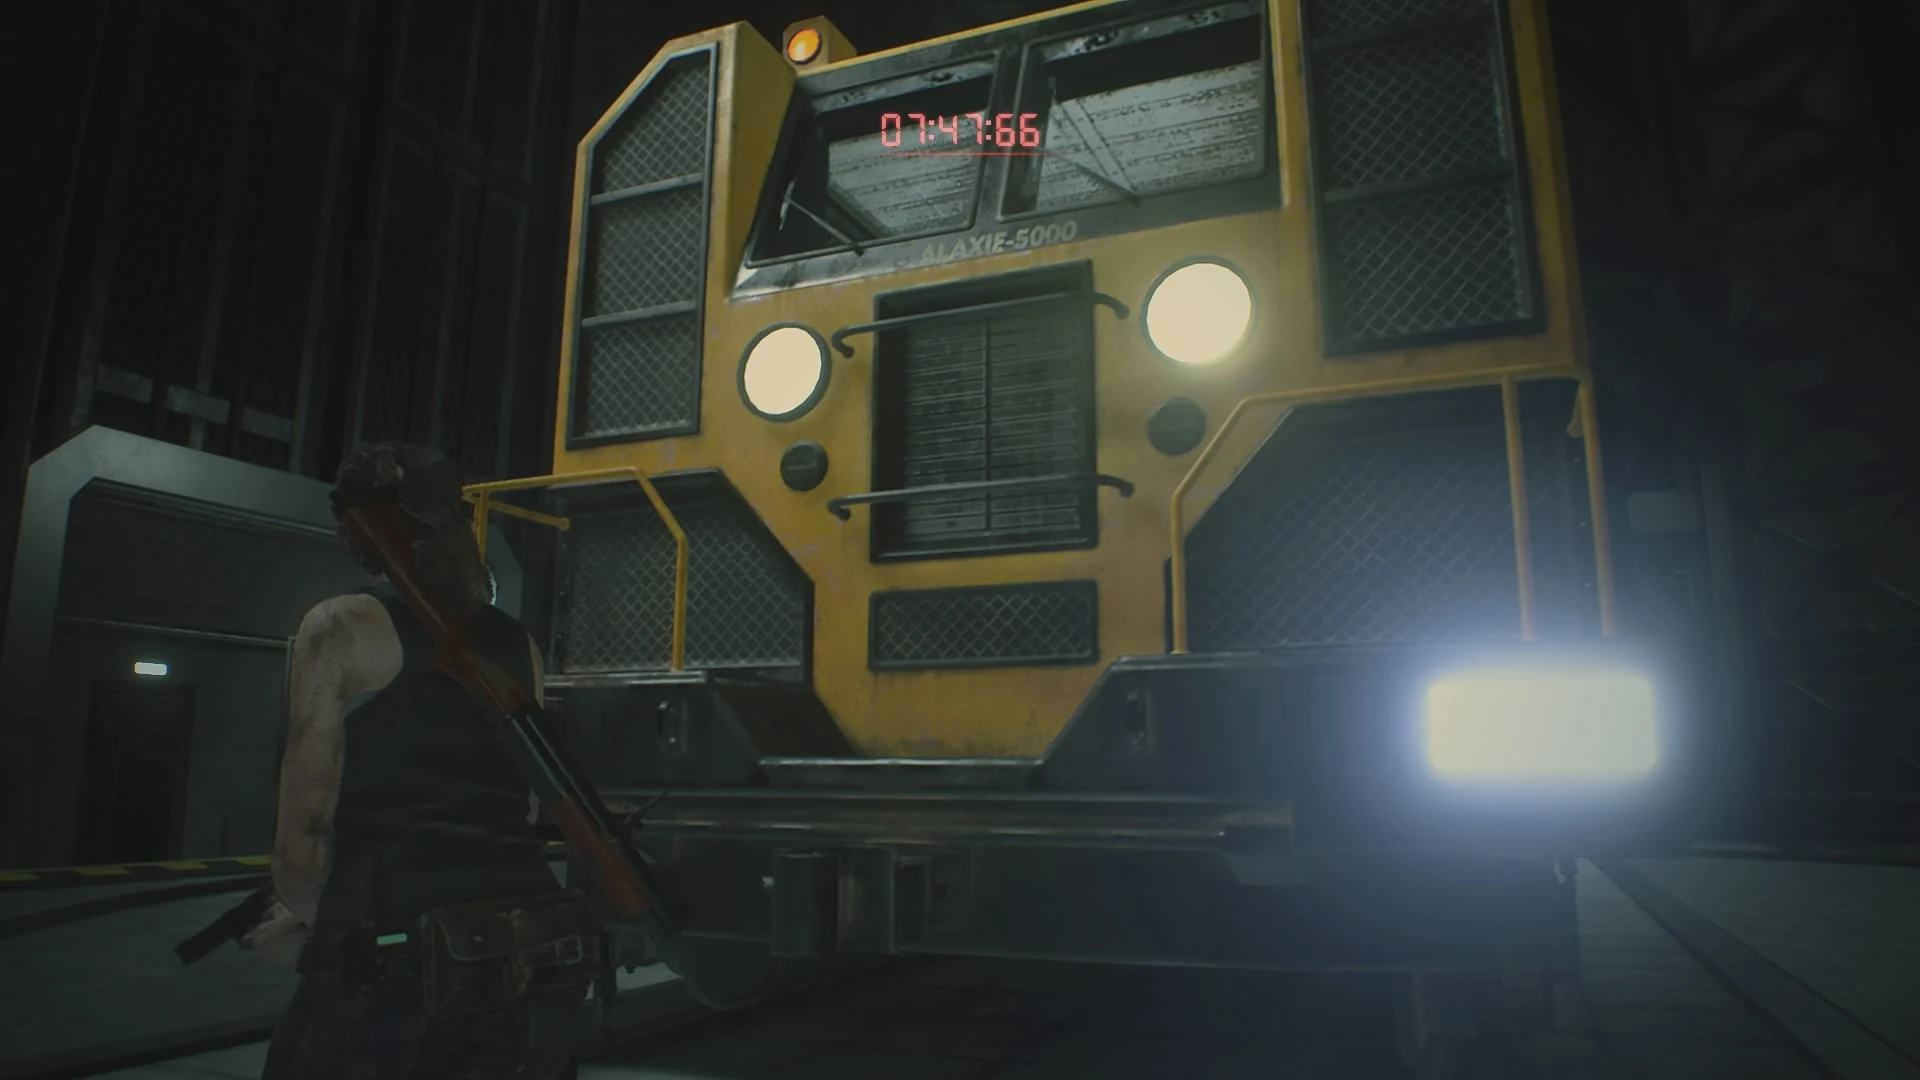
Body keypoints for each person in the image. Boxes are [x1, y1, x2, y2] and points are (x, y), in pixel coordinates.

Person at [243, 444, 590, 1079]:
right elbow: (528, 804)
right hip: (520, 944)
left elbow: (304, 836)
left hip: (389, 961)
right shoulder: (519, 644)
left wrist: (310, 928)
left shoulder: (339, 625)